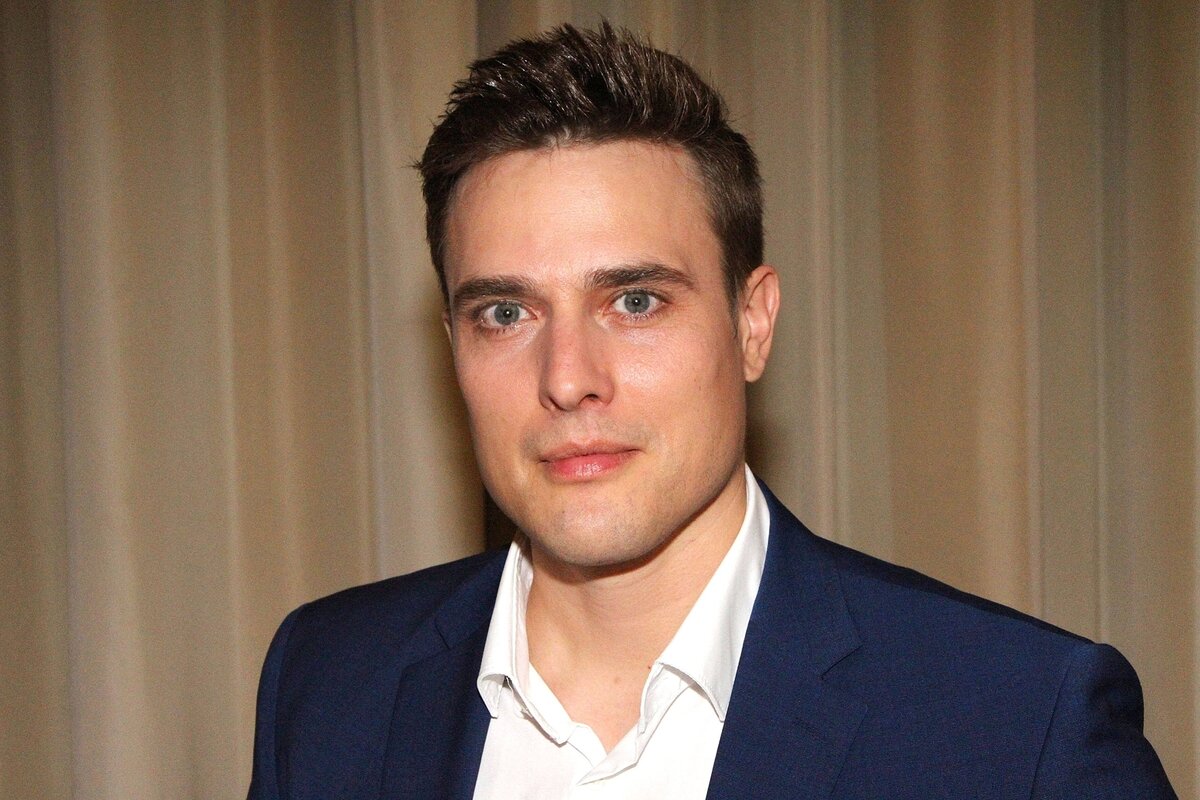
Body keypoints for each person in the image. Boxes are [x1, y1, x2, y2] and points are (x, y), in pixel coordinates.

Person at [247, 23, 1176, 799]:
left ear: (753, 324)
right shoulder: (326, 686)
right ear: (453, 344)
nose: (568, 378)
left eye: (635, 301)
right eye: (505, 313)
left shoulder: (1019, 729)